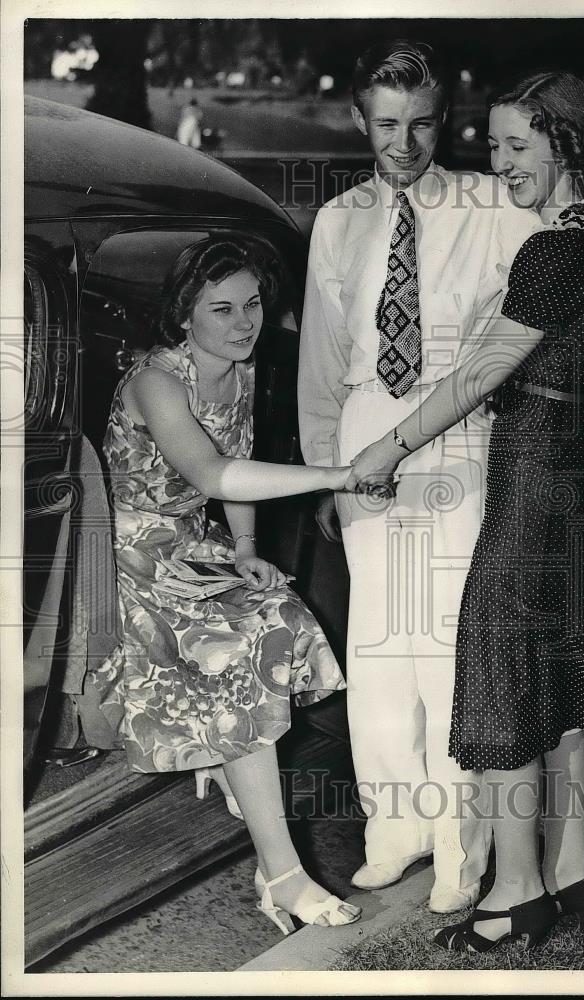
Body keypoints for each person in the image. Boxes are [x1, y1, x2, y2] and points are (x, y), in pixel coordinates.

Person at [347, 70, 584, 952]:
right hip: (583, 485)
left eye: (519, 146)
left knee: (501, 672)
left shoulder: (557, 252)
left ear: (567, 144)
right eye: (495, 144)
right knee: (566, 674)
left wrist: (387, 447)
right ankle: (574, 872)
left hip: (536, 488)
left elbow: (481, 376)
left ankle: (517, 893)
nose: (499, 161)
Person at [297, 40, 542, 914]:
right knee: (380, 643)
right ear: (360, 119)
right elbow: (324, 361)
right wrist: (329, 465)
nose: (405, 143)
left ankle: (459, 850)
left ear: (448, 120)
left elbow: (569, 272)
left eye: (425, 123)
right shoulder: (337, 221)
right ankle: (392, 830)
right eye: (388, 124)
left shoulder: (490, 205)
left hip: (456, 433)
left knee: (444, 645)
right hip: (366, 436)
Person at [86, 236, 361, 934]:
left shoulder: (238, 370)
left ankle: (230, 759)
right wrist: (335, 476)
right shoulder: (156, 381)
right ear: (184, 315)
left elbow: (235, 462)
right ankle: (285, 874)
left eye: (255, 304)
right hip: (122, 551)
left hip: (185, 546)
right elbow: (212, 475)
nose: (246, 323)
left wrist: (241, 549)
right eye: (224, 309)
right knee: (234, 651)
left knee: (280, 617)